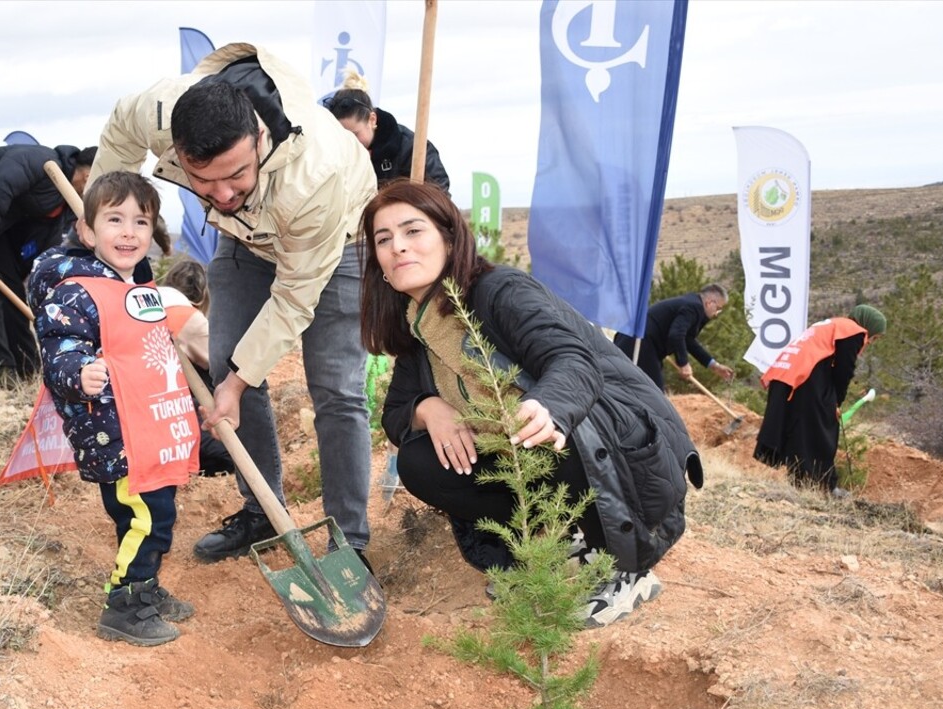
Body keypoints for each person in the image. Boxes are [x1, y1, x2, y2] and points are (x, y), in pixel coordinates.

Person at [362, 181, 703, 627]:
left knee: (554, 431)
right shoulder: (420, 326)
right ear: (379, 266)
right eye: (383, 240)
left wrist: (548, 405)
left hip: (627, 448)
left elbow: (574, 360)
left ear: (449, 238)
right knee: (419, 460)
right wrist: (428, 407)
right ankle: (547, 541)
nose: (398, 248)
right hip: (540, 458)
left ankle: (626, 572)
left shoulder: (499, 292)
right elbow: (394, 414)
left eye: (412, 231)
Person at [91, 43, 377, 565]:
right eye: (204, 180)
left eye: (237, 175)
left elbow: (294, 298)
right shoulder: (160, 111)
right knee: (225, 358)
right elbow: (119, 131)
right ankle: (261, 512)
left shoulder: (315, 177)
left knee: (335, 389)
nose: (221, 195)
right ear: (178, 151)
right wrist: (103, 215)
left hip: (337, 245)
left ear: (260, 138)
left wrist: (240, 382)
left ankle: (349, 540)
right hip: (246, 241)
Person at [27, 171, 199, 647]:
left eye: (140, 221)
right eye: (114, 220)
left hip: (149, 426)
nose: (128, 232)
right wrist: (78, 371)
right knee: (146, 516)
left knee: (149, 514)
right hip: (113, 431)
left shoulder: (137, 288)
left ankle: (145, 586)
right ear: (87, 232)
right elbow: (59, 346)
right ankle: (125, 606)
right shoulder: (76, 291)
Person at [0, 143, 95, 385]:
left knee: (11, 288)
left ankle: (27, 366)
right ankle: (3, 370)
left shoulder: (65, 203)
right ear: (88, 176)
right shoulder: (37, 160)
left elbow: (43, 239)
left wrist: (31, 277)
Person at [754, 305, 887, 495]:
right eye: (875, 337)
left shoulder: (833, 324)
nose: (872, 341)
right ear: (869, 326)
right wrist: (836, 403)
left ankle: (801, 482)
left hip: (787, 375)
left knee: (800, 430)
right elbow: (843, 371)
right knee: (821, 428)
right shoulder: (853, 331)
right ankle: (825, 486)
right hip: (804, 377)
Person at [159, 258, 234, 477]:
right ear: (203, 295)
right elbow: (221, 363)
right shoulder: (188, 317)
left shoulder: (147, 303)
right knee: (229, 459)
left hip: (145, 412)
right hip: (176, 414)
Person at [322, 70, 450, 192]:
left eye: (355, 134)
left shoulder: (413, 149)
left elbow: (439, 190)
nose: (350, 143)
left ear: (372, 120)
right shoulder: (331, 155)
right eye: (343, 137)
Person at [614, 285, 735, 390]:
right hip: (639, 342)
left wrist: (714, 365)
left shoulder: (692, 303)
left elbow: (688, 340)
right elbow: (676, 334)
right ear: (710, 302)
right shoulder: (694, 307)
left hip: (635, 340)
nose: (716, 314)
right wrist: (683, 363)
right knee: (653, 394)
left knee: (641, 390)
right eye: (718, 309)